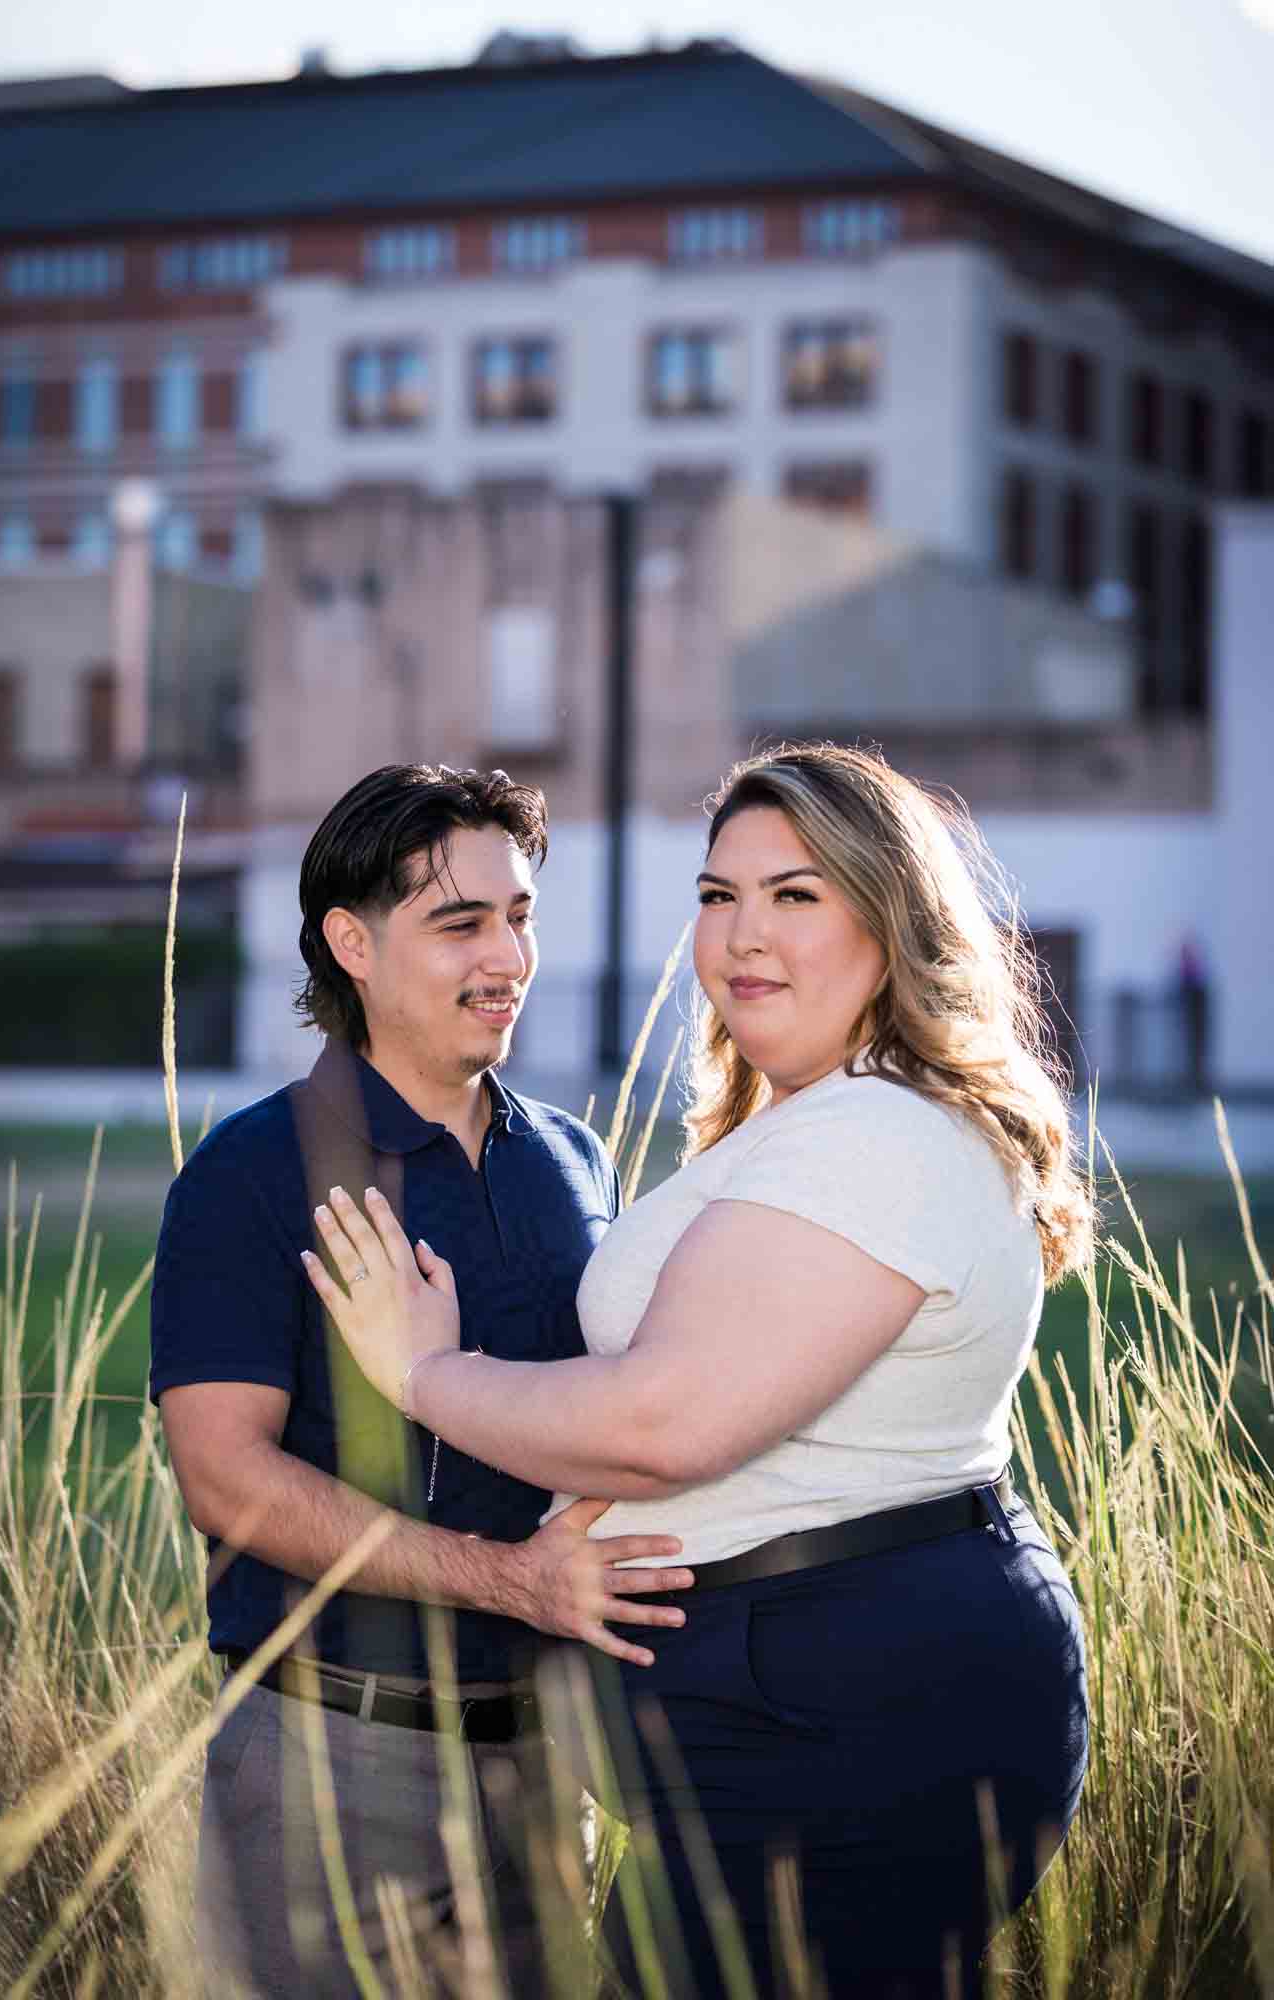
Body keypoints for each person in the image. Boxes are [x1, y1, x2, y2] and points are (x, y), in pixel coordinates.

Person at [303, 743, 1094, 2000]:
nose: (739, 936)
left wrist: (424, 1370)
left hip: (848, 1703)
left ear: (890, 917)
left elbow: (660, 1426)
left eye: (794, 894)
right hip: (789, 1700)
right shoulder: (812, 1117)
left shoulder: (879, 1132)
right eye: (717, 895)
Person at [150, 764, 694, 1998]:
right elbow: (223, 1478)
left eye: (520, 917)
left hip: (554, 1762)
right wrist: (508, 1580)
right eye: (461, 922)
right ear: (350, 940)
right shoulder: (251, 1172)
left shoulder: (574, 1158)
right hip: (331, 1762)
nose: (508, 954)